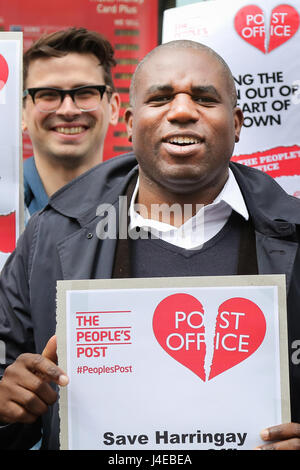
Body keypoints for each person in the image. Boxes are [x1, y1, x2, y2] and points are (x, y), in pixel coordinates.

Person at [1, 40, 300, 450]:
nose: (180, 111)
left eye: (204, 98)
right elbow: (10, 391)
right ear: (128, 123)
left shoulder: (294, 236)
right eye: (160, 98)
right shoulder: (50, 236)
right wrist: (6, 404)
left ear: (236, 124)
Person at [22, 27, 120, 219]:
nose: (68, 110)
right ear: (21, 114)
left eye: (85, 93)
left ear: (114, 109)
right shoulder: (6, 207)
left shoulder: (143, 211)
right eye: (48, 95)